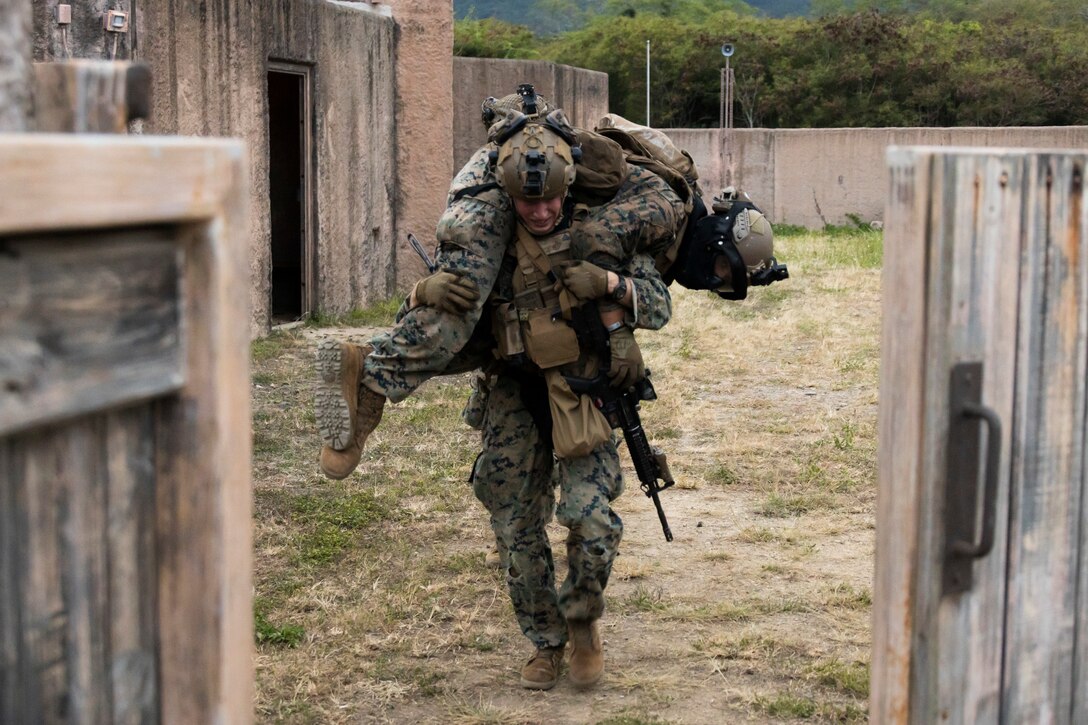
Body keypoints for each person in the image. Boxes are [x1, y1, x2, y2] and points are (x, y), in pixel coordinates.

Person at [315, 103, 684, 691]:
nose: (540, 212)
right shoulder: (487, 234)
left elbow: (659, 305)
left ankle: (584, 621)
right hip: (512, 388)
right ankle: (545, 642)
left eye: (549, 201)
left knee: (591, 524)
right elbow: (440, 330)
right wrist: (419, 291)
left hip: (583, 389)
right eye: (527, 203)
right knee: (516, 528)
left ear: (567, 188)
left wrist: (611, 285)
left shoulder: (602, 228)